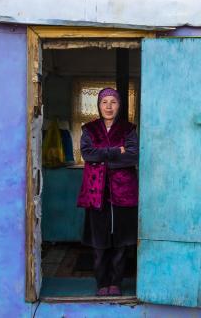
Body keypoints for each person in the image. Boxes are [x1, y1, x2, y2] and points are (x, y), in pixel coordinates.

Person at [76, 88, 139, 297]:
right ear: (99, 105)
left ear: (119, 105)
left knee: (121, 242)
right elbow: (87, 154)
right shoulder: (89, 129)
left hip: (124, 192)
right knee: (99, 242)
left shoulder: (128, 129)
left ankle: (116, 283)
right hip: (96, 192)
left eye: (113, 102)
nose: (109, 106)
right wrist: (114, 152)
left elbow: (132, 156)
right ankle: (102, 282)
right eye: (105, 102)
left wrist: (102, 157)